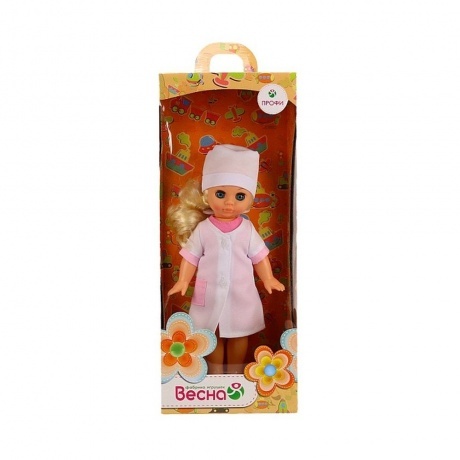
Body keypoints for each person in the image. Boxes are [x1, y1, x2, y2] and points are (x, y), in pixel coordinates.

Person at [167, 144, 284, 374]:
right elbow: (190, 257)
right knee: (212, 336)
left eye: (239, 196)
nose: (229, 203)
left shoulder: (247, 230)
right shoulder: (203, 229)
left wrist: (268, 278)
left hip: (241, 295)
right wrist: (183, 281)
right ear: (207, 194)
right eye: (221, 194)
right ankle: (215, 373)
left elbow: (259, 256)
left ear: (249, 200)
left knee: (239, 335)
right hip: (210, 294)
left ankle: (235, 373)